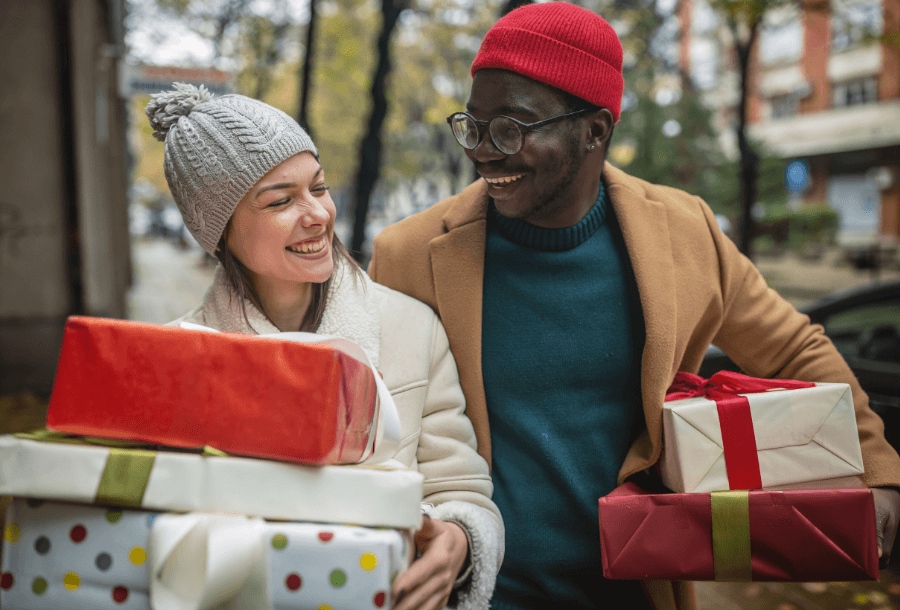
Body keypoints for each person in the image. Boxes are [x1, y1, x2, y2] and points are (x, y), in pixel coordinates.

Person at [368, 3, 900, 609]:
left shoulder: (684, 231)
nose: (485, 151)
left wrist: (878, 470)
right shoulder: (408, 256)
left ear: (595, 130)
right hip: (479, 593)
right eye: (475, 125)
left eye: (513, 128)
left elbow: (794, 348)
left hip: (637, 589)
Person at [145, 83, 503, 610]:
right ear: (219, 231)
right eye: (281, 201)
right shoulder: (181, 358)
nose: (316, 214)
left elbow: (463, 490)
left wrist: (460, 540)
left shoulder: (411, 327)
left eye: (319, 187)